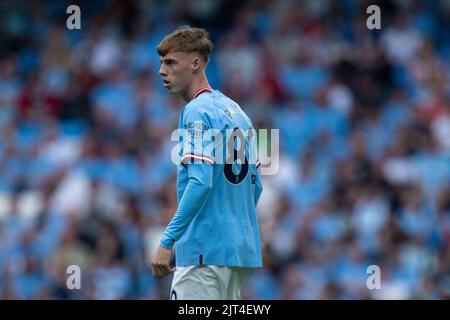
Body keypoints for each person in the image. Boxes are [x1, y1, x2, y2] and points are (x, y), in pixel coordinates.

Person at [150, 26, 263, 300]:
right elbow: (256, 185)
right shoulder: (237, 112)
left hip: (203, 253)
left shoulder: (196, 112)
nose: (162, 71)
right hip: (238, 253)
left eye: (170, 62)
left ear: (195, 63)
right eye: (162, 63)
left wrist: (167, 241)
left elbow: (200, 182)